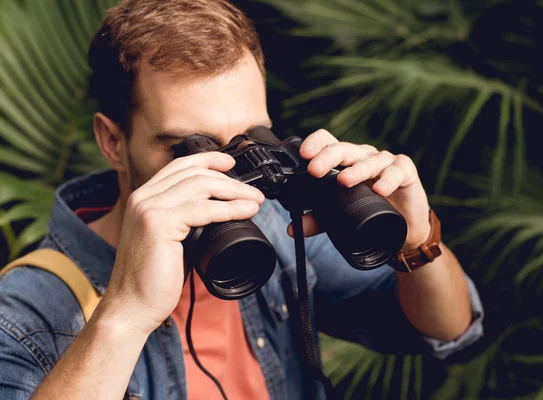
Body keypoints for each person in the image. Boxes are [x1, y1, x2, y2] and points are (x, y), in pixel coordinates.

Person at [0, 0, 484, 399]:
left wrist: (416, 239)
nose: (232, 171)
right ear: (112, 142)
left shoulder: (273, 226)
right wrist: (126, 312)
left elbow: (450, 331)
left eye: (251, 138)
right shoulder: (22, 313)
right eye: (186, 146)